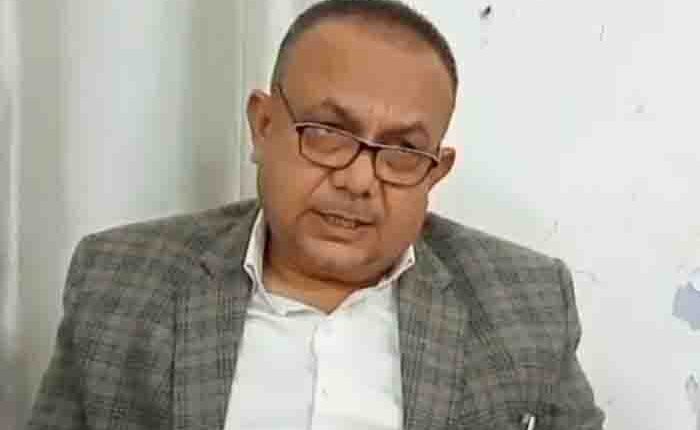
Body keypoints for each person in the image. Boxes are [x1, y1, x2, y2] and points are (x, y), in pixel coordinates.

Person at [27, 1, 605, 429]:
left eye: (403, 151)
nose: (358, 180)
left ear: (435, 171)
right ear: (263, 126)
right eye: (328, 133)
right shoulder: (121, 284)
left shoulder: (525, 306)